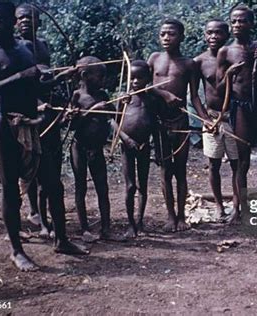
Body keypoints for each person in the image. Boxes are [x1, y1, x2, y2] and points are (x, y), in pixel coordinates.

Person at [0, 0, 86, 271]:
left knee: (52, 184)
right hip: (4, 124)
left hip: (33, 122)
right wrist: (20, 76)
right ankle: (17, 250)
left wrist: (62, 77)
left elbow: (36, 82)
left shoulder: (27, 48)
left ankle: (62, 239)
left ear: (12, 21)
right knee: (11, 189)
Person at [215, 4, 257, 223]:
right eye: (233, 21)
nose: (237, 25)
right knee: (242, 162)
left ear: (251, 24)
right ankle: (239, 210)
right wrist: (230, 74)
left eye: (242, 21)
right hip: (240, 108)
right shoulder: (225, 52)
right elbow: (218, 86)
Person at [148, 19, 209, 232]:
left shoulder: (188, 64)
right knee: (165, 170)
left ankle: (182, 216)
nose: (166, 38)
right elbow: (143, 86)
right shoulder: (154, 59)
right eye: (163, 34)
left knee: (181, 170)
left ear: (181, 37)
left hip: (180, 122)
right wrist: (163, 93)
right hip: (159, 123)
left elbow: (194, 97)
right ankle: (170, 217)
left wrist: (205, 120)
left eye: (171, 34)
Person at [194, 19, 238, 221]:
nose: (213, 37)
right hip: (211, 118)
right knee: (214, 164)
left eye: (218, 33)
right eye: (210, 33)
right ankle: (220, 206)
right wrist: (204, 119)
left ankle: (237, 205)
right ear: (205, 35)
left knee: (238, 164)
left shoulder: (235, 56)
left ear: (227, 35)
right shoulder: (199, 61)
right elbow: (195, 96)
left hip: (235, 118)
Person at [69, 56, 115, 242]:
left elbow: (112, 114)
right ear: (85, 75)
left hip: (97, 149)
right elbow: (71, 125)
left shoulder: (102, 95)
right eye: (100, 76)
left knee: (102, 188)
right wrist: (90, 111)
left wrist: (121, 102)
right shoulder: (76, 96)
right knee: (81, 187)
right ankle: (85, 229)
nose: (103, 80)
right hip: (79, 147)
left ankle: (106, 229)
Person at [15, 3, 51, 233]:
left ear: (39, 21)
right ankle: (32, 211)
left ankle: (40, 211)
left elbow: (46, 74)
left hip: (46, 109)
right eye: (20, 18)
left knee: (42, 160)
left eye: (29, 17)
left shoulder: (43, 45)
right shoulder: (17, 48)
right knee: (25, 162)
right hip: (25, 110)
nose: (25, 21)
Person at [118, 60, 165, 237]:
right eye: (132, 78)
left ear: (148, 78)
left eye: (140, 78)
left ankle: (140, 221)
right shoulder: (124, 98)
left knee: (143, 186)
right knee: (130, 186)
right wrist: (126, 139)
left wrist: (157, 149)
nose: (135, 82)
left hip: (144, 146)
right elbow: (113, 123)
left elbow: (156, 126)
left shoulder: (152, 99)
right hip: (127, 147)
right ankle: (130, 225)